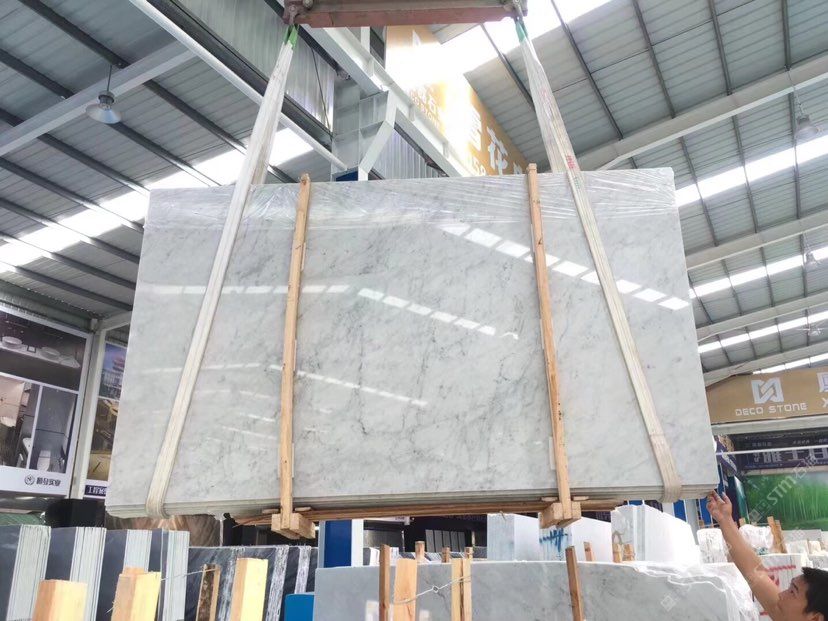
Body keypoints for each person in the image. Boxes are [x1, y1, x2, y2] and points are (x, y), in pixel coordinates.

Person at [707, 491, 828, 621]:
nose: (781, 594)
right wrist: (725, 519)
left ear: (815, 619)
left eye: (793, 592)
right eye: (789, 588)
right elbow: (756, 572)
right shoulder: (784, 615)